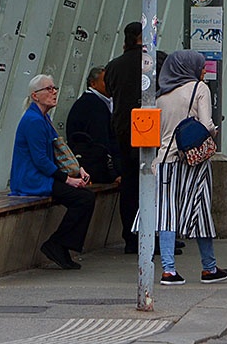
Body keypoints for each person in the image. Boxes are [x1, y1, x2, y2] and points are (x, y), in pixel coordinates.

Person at [154, 49, 227, 285]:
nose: (204, 70)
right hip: (193, 162)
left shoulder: (160, 95)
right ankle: (209, 268)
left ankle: (168, 270)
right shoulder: (200, 89)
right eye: (201, 66)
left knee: (166, 214)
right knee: (201, 212)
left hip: (165, 162)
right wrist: (214, 131)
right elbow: (206, 124)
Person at [9, 74, 95, 270]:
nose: (54, 92)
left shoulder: (43, 118)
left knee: (85, 197)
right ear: (35, 95)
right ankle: (57, 244)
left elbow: (59, 150)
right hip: (32, 180)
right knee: (83, 199)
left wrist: (78, 169)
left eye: (54, 88)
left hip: (42, 176)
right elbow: (40, 160)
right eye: (48, 89)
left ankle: (60, 245)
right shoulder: (33, 121)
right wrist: (67, 180)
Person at [104, 21, 143, 254]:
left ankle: (130, 235)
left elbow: (110, 91)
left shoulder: (114, 66)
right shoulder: (155, 60)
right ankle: (152, 234)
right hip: (149, 129)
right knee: (152, 183)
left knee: (129, 183)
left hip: (123, 128)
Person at [65, 66, 119, 184]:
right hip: (94, 170)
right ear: (93, 84)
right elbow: (102, 142)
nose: (110, 84)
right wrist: (113, 174)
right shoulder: (93, 106)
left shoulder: (95, 102)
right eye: (106, 81)